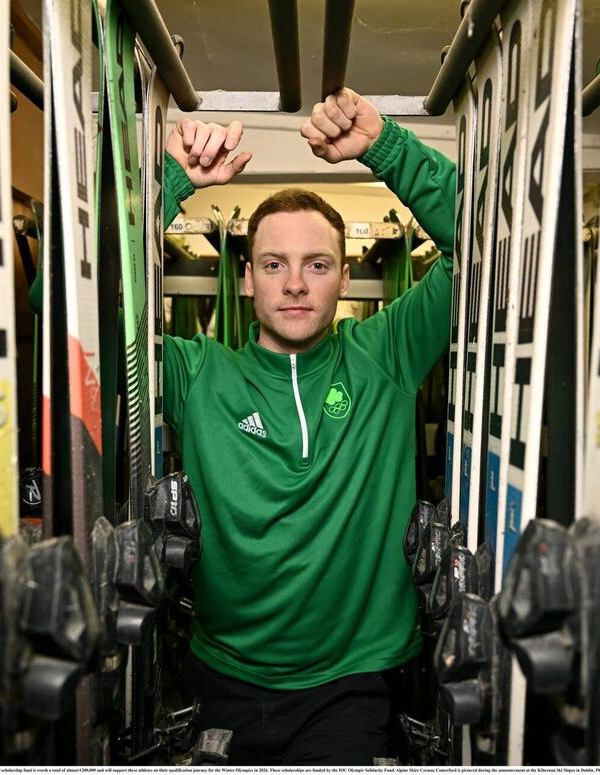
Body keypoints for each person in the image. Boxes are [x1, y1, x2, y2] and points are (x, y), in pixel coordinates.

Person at [157, 87, 458, 766]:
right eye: (275, 264)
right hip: (221, 679)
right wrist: (168, 182)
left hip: (352, 683)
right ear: (249, 279)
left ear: (344, 276)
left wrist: (387, 148)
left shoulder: (387, 353)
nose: (295, 283)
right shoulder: (193, 373)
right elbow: (69, 302)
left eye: (316, 265)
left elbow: (491, 244)